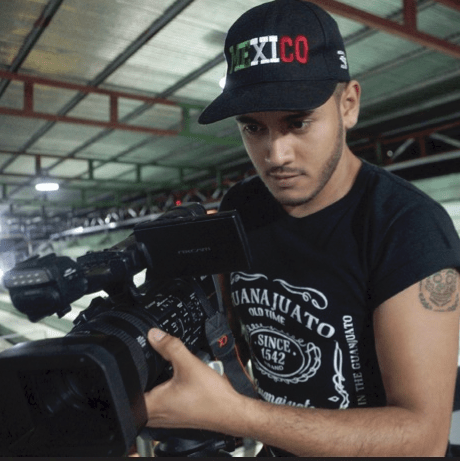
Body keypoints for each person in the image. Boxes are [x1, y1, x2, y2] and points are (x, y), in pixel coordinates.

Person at [143, 0, 460, 456]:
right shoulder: (241, 206)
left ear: (348, 105)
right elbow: (230, 330)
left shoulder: (407, 226)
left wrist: (237, 414)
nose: (276, 155)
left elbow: (422, 441)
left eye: (298, 122)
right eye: (253, 128)